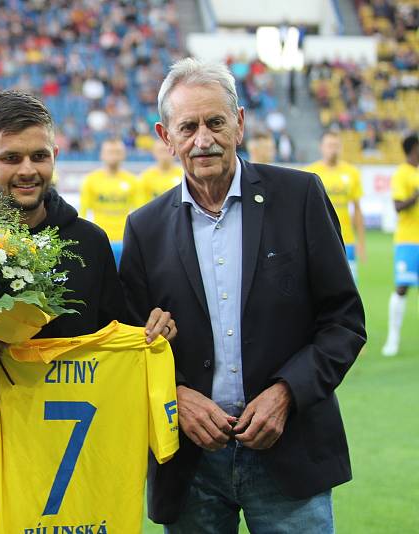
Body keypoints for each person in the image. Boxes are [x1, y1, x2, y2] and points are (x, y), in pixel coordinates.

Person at [120, 58, 366, 532]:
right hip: (190, 464)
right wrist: (176, 396)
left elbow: (344, 321)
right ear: (165, 136)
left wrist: (286, 393)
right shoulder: (144, 229)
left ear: (240, 122)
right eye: (187, 126)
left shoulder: (300, 196)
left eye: (215, 121)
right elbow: (128, 346)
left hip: (289, 452)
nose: (204, 138)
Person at [0, 89, 176, 534]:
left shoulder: (89, 243)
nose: (28, 170)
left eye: (39, 155)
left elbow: (117, 341)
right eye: (11, 157)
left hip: (77, 477)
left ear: (55, 155)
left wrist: (150, 335)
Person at [305, 131, 366, 279]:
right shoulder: (309, 173)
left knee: (350, 287)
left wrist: (361, 242)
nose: (333, 149)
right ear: (321, 147)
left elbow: (357, 209)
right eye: (330, 145)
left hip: (346, 240)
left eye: (336, 145)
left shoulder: (351, 172)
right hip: (319, 240)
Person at [382, 132, 419, 356]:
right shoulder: (402, 174)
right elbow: (397, 206)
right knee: (402, 287)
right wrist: (414, 197)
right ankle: (392, 338)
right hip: (408, 240)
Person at [79, 138, 144, 265]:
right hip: (100, 240)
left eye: (117, 152)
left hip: (125, 241)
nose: (113, 156)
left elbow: (141, 212)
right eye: (110, 152)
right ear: (102, 154)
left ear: (124, 155)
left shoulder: (133, 181)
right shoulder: (91, 180)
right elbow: (83, 213)